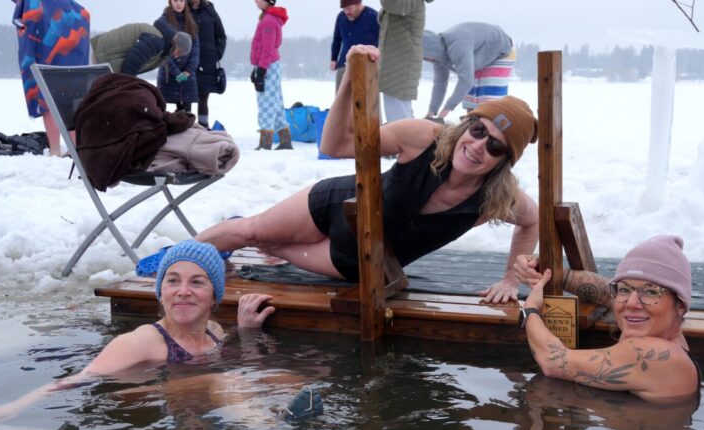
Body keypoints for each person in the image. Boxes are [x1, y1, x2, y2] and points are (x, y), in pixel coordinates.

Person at [189, 45, 539, 304]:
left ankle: (253, 240)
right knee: (250, 231)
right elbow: (335, 144)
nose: (478, 146)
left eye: (495, 146)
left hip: (354, 262)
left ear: (504, 161)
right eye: (478, 130)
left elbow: (532, 221)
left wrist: (511, 280)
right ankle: (177, 263)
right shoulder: (425, 137)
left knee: (270, 244)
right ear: (466, 125)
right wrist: (348, 83)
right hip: (332, 206)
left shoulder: (495, 198)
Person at [0, 241, 275, 425]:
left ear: (214, 296)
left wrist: (246, 332)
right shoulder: (143, 342)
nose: (183, 291)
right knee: (223, 381)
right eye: (173, 281)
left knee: (281, 377)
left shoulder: (215, 331)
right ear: (160, 292)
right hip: (140, 397)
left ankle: (275, 420)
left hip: (194, 397)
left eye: (197, 282)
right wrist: (13, 407)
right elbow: (79, 380)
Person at [520, 235, 701, 403]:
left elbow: (553, 362)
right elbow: (605, 290)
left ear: (680, 305)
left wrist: (529, 310)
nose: (631, 303)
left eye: (651, 292)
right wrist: (545, 271)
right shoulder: (667, 337)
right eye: (625, 289)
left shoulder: (655, 354)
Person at [13, 0, 91, 158]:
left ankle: (55, 149)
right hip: (72, 45)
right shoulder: (73, 8)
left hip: (47, 50)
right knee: (72, 95)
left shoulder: (31, 4)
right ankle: (74, 145)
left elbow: (28, 29)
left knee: (46, 94)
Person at [421, 22, 515, 120]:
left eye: (426, 57)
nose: (428, 61)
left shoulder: (457, 46)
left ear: (432, 50)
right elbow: (440, 83)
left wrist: (446, 110)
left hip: (502, 49)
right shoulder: (438, 57)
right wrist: (432, 111)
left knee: (487, 99)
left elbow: (466, 80)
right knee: (471, 99)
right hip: (480, 53)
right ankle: (473, 121)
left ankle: (491, 123)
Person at [377, 0, 433, 122]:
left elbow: (390, 4)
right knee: (400, 116)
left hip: (401, 67)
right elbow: (383, 17)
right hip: (395, 66)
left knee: (399, 119)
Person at [250, 0, 291, 151]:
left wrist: (261, 70)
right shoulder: (269, 18)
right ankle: (285, 140)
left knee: (266, 103)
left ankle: (265, 142)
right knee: (276, 103)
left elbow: (267, 49)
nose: (255, 1)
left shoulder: (269, 21)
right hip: (270, 64)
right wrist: (257, 68)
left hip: (268, 65)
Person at [90, 22, 192, 77]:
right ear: (176, 44)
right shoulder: (156, 40)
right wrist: (127, 88)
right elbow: (130, 65)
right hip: (97, 57)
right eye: (179, 52)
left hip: (101, 60)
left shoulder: (161, 42)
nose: (176, 56)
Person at [156, 0, 200, 113]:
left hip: (188, 76)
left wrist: (188, 71)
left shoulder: (190, 22)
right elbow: (162, 52)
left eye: (182, 0)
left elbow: (195, 50)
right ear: (170, 2)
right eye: (176, 0)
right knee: (162, 111)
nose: (179, 4)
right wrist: (176, 72)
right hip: (168, 75)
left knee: (187, 114)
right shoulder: (163, 22)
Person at [189, 0, 227, 128]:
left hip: (207, 61)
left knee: (203, 96)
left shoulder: (209, 10)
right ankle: (186, 128)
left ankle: (204, 127)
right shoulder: (184, 9)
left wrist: (217, 53)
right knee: (186, 97)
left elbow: (221, 36)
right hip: (187, 61)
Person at [330, 0, 380, 93]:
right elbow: (337, 39)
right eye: (344, 9)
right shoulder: (341, 17)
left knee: (366, 99)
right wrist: (334, 59)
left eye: (349, 8)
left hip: (367, 66)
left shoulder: (374, 16)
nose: (346, 12)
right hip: (344, 65)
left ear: (358, 4)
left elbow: (383, 39)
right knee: (341, 98)